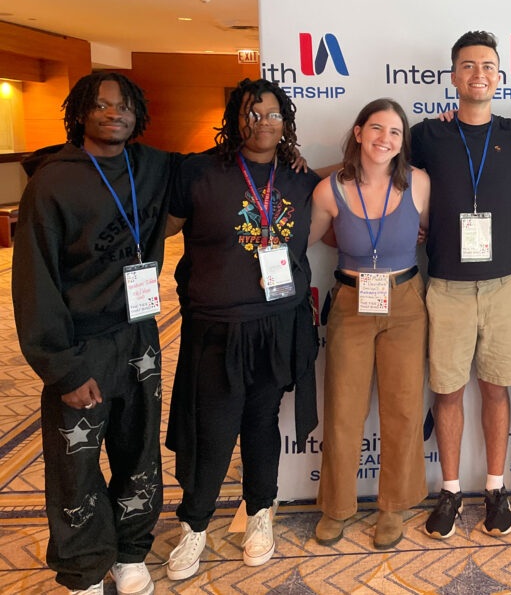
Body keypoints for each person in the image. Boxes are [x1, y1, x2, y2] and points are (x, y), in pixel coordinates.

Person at [13, 72, 177, 595]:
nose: (115, 113)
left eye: (125, 105)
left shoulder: (151, 166)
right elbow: (34, 281)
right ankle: (84, 567)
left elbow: (217, 171)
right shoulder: (52, 182)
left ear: (138, 114)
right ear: (81, 111)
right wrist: (62, 367)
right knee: (75, 463)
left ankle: (130, 550)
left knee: (139, 449)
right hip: (80, 344)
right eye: (103, 105)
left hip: (140, 336)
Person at [163, 79, 320, 580]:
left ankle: (260, 513)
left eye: (273, 114)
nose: (263, 123)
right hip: (216, 326)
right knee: (212, 426)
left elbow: (350, 179)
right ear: (235, 119)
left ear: (286, 123)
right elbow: (162, 226)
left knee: (261, 421)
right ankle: (195, 525)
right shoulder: (200, 171)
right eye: (253, 114)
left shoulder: (297, 178)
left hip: (275, 323)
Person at [411, 30, 511, 539]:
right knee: (447, 392)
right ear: (453, 76)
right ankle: (450, 490)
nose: (478, 74)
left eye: (488, 66)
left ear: (500, 76)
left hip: (500, 287)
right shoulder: (427, 134)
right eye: (468, 66)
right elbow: (373, 164)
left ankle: (495, 487)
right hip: (445, 285)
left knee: (496, 389)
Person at [308, 99, 431, 550]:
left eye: (396, 132)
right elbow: (315, 235)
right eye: (377, 129)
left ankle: (392, 507)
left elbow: (430, 231)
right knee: (343, 409)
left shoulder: (419, 184)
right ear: (358, 133)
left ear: (403, 142)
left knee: (402, 408)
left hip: (405, 301)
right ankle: (337, 507)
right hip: (350, 301)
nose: (385, 139)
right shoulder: (329, 190)